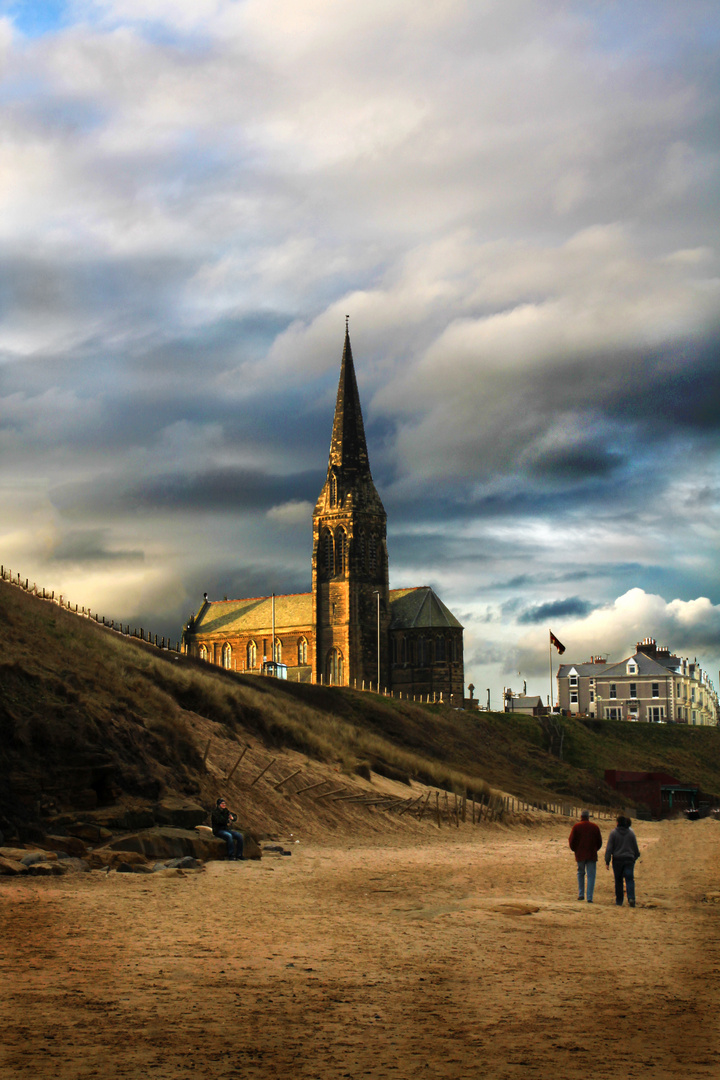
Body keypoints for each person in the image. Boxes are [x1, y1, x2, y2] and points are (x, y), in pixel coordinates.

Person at [605, 815, 640, 906]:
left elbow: (609, 849)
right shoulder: (631, 834)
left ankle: (619, 900)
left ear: (617, 823)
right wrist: (634, 857)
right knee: (629, 879)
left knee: (618, 880)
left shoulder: (613, 833)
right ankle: (631, 898)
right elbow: (636, 849)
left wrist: (607, 861)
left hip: (617, 860)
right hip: (629, 859)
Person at [568, 810, 602, 903]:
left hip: (580, 854)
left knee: (580, 873)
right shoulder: (595, 827)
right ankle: (590, 897)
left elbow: (571, 841)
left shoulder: (576, 826)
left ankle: (581, 894)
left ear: (581, 817)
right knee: (591, 875)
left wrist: (575, 849)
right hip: (592, 854)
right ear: (588, 817)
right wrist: (595, 849)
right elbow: (599, 842)